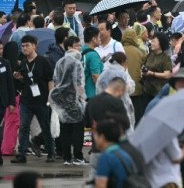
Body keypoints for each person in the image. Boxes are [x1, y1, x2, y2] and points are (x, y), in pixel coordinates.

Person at [11, 35, 55, 164]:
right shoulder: (23, 62)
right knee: (24, 127)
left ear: (35, 46)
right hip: (26, 100)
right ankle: (22, 154)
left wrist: (50, 96)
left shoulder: (43, 61)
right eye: (23, 46)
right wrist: (19, 78)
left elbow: (50, 80)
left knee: (45, 127)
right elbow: (27, 80)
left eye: (27, 45)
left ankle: (51, 152)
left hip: (41, 100)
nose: (24, 48)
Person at [49, 36, 87, 166]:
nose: (79, 48)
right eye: (77, 45)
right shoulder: (76, 63)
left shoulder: (59, 62)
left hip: (62, 101)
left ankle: (66, 157)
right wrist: (83, 98)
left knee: (65, 130)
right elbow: (78, 83)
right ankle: (78, 156)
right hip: (74, 101)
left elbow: (56, 80)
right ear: (69, 47)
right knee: (77, 130)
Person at [85, 77, 129, 181]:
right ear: (120, 90)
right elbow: (126, 124)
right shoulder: (117, 103)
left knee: (94, 181)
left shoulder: (92, 102)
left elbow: (87, 123)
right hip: (113, 150)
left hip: (96, 149)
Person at [94, 118, 135, 188]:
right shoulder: (124, 154)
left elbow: (101, 185)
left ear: (102, 137)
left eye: (96, 135)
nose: (95, 138)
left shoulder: (105, 157)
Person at [121, 28, 147, 123]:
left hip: (123, 89)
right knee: (137, 117)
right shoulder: (140, 52)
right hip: (137, 89)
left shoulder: (119, 51)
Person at [141, 31, 173, 104]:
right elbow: (143, 65)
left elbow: (167, 75)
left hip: (158, 91)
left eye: (154, 42)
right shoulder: (149, 55)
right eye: (152, 41)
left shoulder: (165, 58)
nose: (152, 43)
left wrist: (152, 73)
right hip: (147, 90)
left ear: (161, 44)